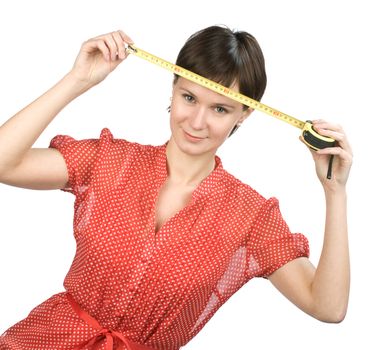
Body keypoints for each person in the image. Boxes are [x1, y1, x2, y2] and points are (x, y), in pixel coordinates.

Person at [0, 26, 352, 350]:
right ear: (173, 86)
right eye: (188, 98)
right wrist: (78, 80)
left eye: (219, 108)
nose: (197, 122)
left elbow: (328, 306)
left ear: (244, 114)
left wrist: (335, 193)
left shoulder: (248, 216)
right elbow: (5, 163)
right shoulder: (109, 161)